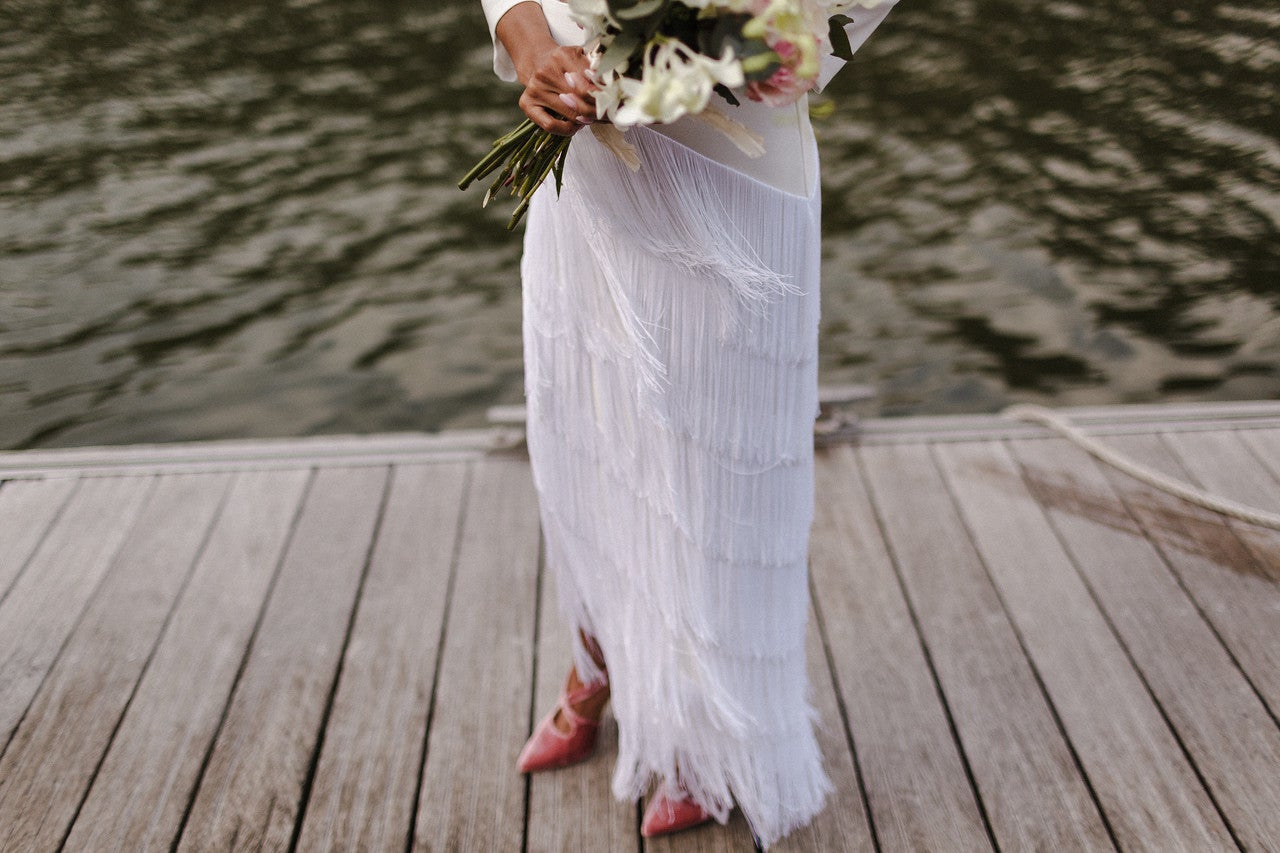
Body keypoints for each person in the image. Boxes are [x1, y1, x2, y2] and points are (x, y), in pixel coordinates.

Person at [477, 0, 896, 846]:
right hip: (586, 159)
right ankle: (596, 662)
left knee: (716, 481)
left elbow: (824, 23)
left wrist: (706, 55)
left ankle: (709, 729)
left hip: (731, 166)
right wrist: (531, 44)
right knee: (586, 435)